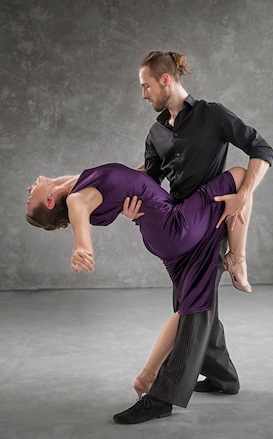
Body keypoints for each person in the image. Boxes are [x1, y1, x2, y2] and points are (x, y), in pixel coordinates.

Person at [115, 50, 273, 424]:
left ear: (165, 80)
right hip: (181, 224)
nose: (143, 94)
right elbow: (151, 183)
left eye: (146, 86)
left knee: (193, 309)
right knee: (193, 304)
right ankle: (224, 377)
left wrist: (243, 194)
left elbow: (262, 150)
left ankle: (162, 397)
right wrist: (130, 203)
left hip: (213, 220)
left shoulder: (212, 114)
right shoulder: (155, 132)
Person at [25, 162, 250, 409]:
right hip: (172, 226)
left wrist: (135, 177)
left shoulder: (77, 183)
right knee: (241, 176)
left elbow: (114, 188)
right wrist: (82, 247)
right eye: (29, 198)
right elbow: (79, 215)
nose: (28, 188)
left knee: (190, 307)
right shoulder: (76, 198)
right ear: (48, 201)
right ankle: (237, 258)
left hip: (160, 231)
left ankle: (198, 376)